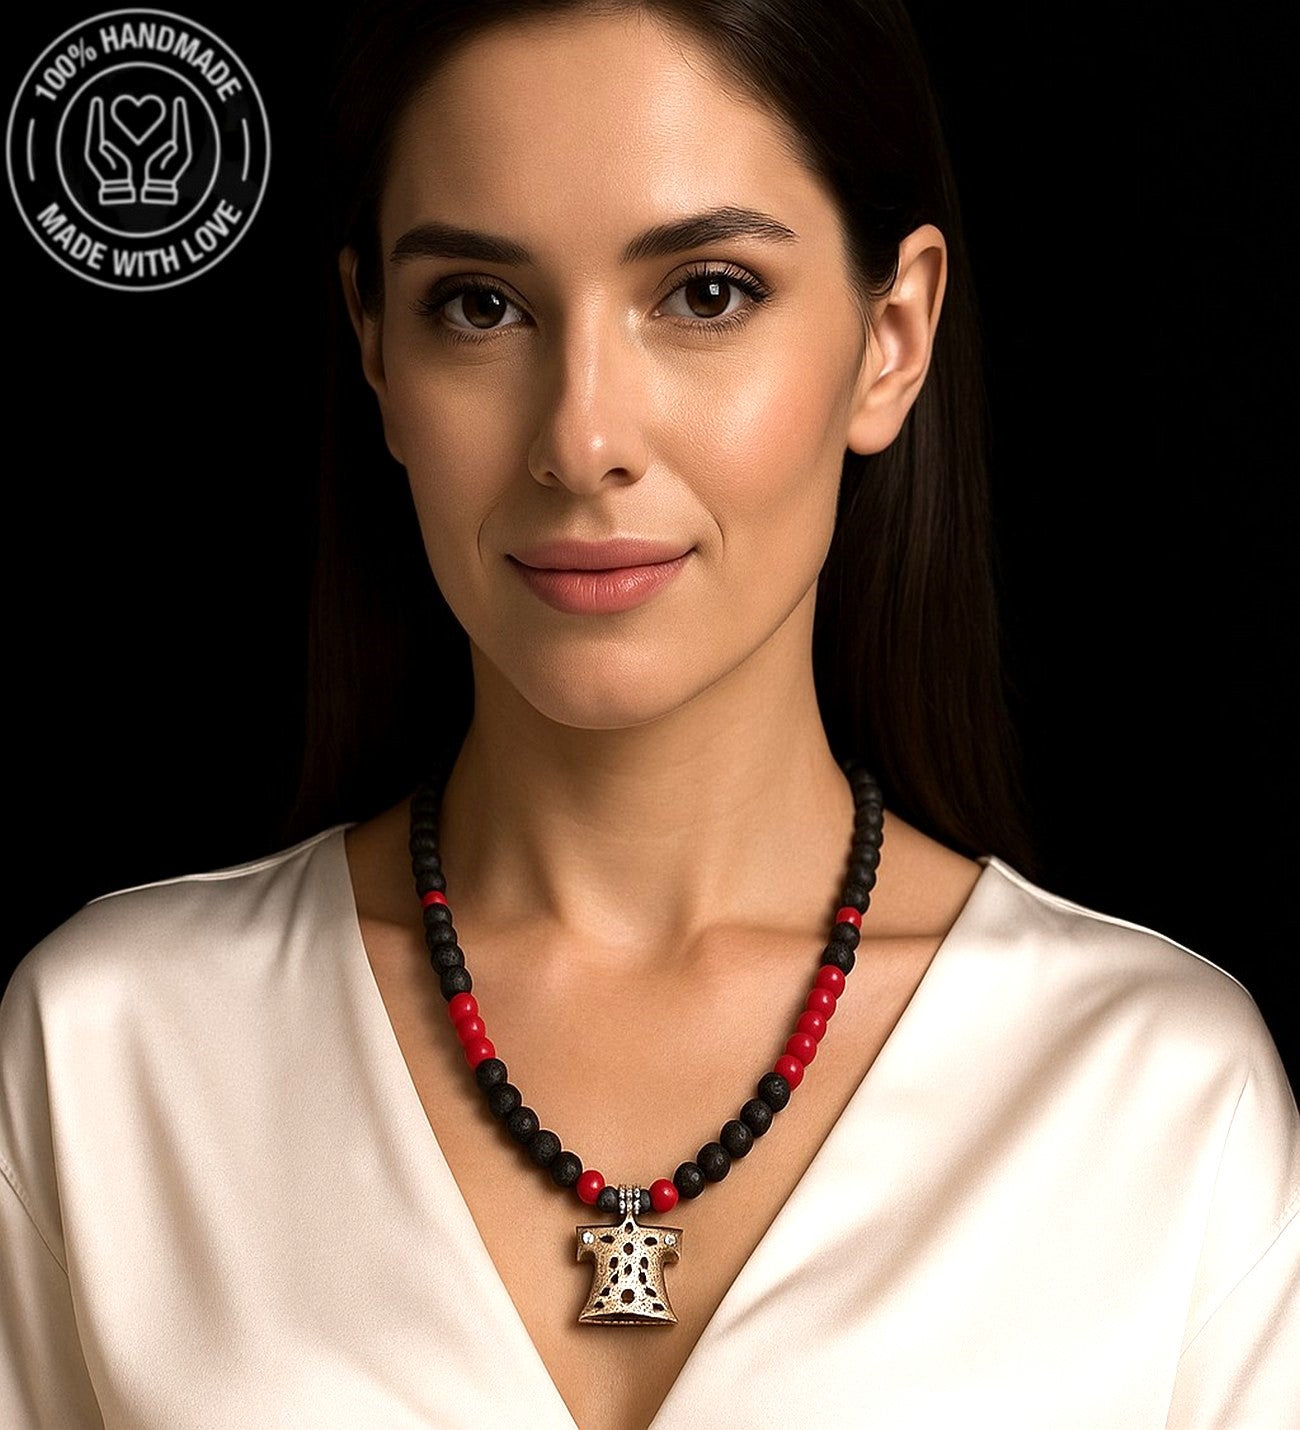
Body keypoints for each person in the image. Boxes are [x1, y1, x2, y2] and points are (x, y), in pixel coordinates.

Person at [2, 0, 1296, 1424]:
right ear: (376, 346)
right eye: (479, 305)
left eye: (707, 294)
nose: (582, 441)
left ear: (891, 336)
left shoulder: (1165, 1100)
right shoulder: (111, 1050)